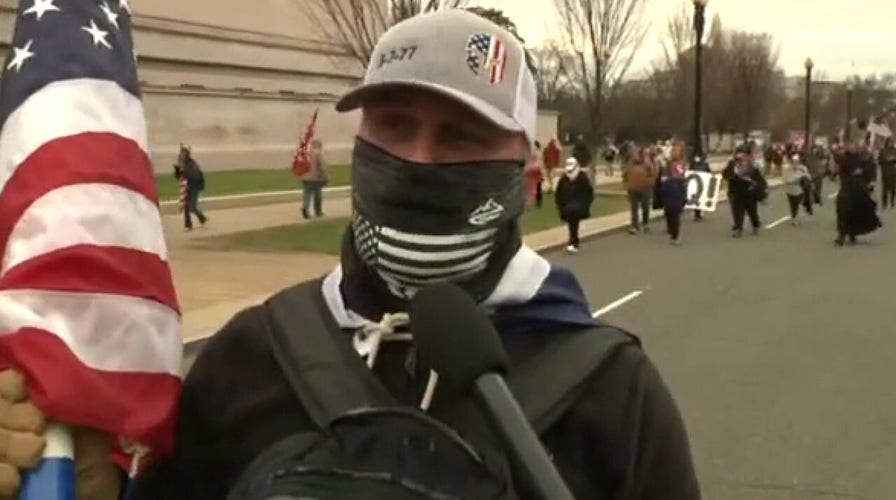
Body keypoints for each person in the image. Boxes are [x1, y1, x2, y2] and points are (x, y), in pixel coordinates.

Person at [1, 10, 701, 500]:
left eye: (461, 135)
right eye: (395, 125)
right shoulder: (251, 357)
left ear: (525, 181)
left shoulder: (614, 396)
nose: (419, 160)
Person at [832, 139, 881, 246]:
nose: (852, 147)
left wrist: (870, 182)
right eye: (849, 145)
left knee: (856, 210)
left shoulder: (862, 159)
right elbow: (837, 162)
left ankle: (852, 233)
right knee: (842, 209)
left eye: (853, 145)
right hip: (846, 187)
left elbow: (870, 169)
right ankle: (841, 234)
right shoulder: (843, 158)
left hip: (858, 188)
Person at [723, 152, 767, 237]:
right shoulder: (733, 169)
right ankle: (739, 229)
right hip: (737, 194)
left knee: (752, 212)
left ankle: (755, 225)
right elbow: (725, 176)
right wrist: (729, 165)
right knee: (737, 213)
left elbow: (760, 181)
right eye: (737, 160)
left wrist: (758, 189)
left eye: (741, 160)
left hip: (749, 194)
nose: (740, 162)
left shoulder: (752, 169)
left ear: (745, 160)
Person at [556, 157, 594, 253]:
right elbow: (559, 193)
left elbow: (588, 192)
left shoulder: (581, 177)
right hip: (568, 205)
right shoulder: (564, 178)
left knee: (573, 224)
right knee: (572, 224)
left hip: (577, 206)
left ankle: (572, 242)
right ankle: (574, 241)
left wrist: (585, 204)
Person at [655, 147, 688, 245]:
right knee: (668, 212)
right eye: (673, 152)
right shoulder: (667, 164)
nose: (674, 154)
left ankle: (675, 236)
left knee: (675, 213)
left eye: (676, 152)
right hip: (667, 190)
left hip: (677, 190)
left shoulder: (681, 163)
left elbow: (682, 175)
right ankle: (671, 231)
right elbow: (661, 178)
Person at [623, 146, 656, 234]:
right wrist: (626, 185)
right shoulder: (630, 165)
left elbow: (653, 175)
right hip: (632, 188)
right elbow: (625, 175)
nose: (636, 157)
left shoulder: (647, 164)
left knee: (645, 206)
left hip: (645, 188)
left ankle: (645, 223)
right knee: (634, 208)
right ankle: (634, 225)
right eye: (634, 155)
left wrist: (650, 184)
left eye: (638, 155)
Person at [177, 144, 208, 230]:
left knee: (192, 207)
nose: (182, 154)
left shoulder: (192, 163)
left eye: (184, 152)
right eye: (182, 152)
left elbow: (196, 175)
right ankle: (188, 225)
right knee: (186, 206)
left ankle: (202, 218)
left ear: (187, 153)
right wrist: (179, 172)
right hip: (187, 186)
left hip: (195, 187)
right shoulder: (181, 163)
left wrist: (184, 173)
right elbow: (178, 176)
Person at [301, 139, 328, 219]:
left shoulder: (306, 153)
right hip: (315, 177)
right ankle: (318, 211)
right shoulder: (319, 153)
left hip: (305, 177)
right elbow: (322, 166)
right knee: (317, 194)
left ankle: (305, 208)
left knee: (307, 194)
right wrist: (324, 176)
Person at [782, 154, 812, 225]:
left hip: (800, 190)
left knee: (799, 204)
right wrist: (798, 175)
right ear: (791, 162)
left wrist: (805, 174)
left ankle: (797, 217)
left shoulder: (803, 168)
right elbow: (787, 180)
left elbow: (809, 178)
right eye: (793, 161)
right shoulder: (786, 169)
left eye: (797, 161)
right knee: (793, 206)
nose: (795, 163)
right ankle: (794, 217)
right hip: (790, 190)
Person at [524, 141, 545, 208]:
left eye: (534, 145)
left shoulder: (537, 153)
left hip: (536, 171)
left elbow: (539, 162)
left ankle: (538, 201)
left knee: (537, 187)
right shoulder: (535, 153)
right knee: (534, 187)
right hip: (533, 171)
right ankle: (535, 201)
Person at [877, 137, 896, 209]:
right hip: (885, 171)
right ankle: (884, 203)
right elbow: (879, 161)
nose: (891, 143)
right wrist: (887, 160)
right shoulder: (883, 151)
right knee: (885, 188)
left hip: (893, 171)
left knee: (893, 188)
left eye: (892, 142)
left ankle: (892, 202)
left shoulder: (894, 150)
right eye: (890, 142)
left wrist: (893, 159)